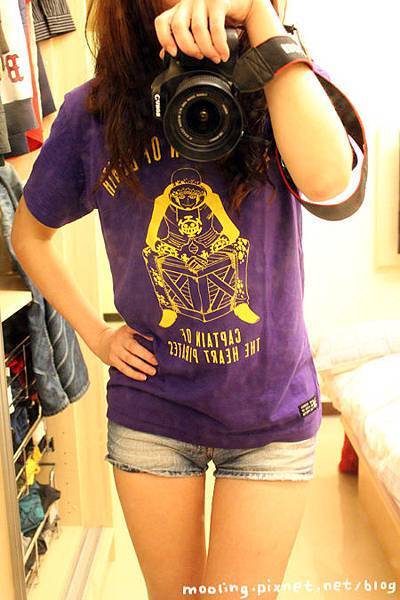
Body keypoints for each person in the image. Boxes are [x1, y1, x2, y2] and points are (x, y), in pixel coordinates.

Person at [11, 0, 367, 598]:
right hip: (154, 413)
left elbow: (331, 182)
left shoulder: (283, 80)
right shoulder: (95, 111)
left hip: (272, 414)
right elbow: (29, 235)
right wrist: (98, 335)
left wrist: (259, 19)